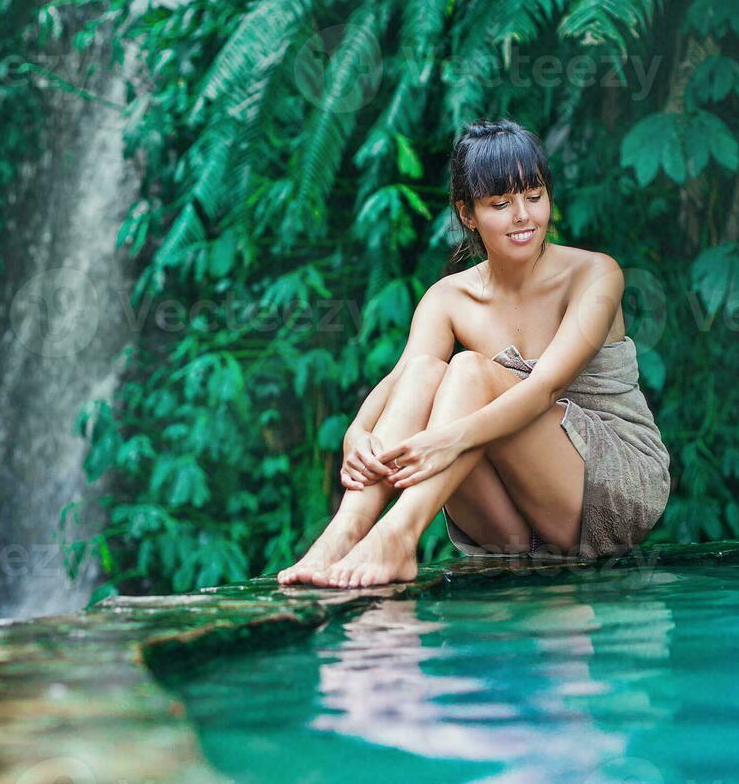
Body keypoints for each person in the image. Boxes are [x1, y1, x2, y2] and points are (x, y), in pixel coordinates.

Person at [276, 119, 672, 588]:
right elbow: (404, 378)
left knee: (467, 371)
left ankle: (399, 536)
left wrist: (450, 438)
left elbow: (545, 387)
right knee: (426, 372)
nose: (523, 215)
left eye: (534, 195)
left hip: (608, 494)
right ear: (468, 213)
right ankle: (343, 532)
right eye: (501, 204)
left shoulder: (594, 274)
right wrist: (356, 433)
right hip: (513, 531)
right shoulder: (450, 297)